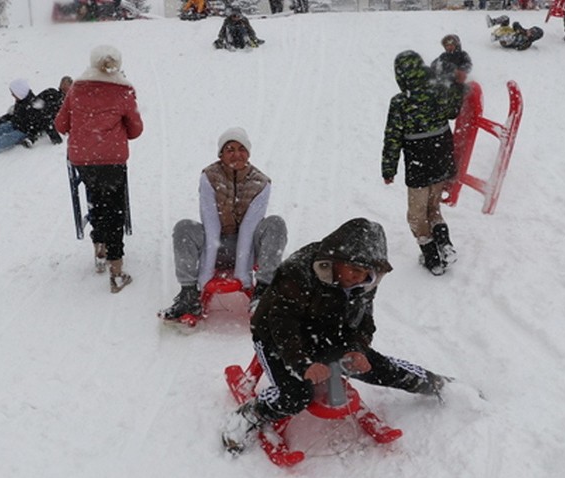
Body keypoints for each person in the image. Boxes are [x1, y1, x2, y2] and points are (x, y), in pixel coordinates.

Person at [221, 218, 447, 454]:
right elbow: (283, 326)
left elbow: (363, 322)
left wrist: (357, 349)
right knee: (296, 396)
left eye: (366, 273)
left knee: (378, 367)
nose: (359, 278)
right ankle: (251, 414)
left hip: (328, 334)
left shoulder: (366, 281)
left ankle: (437, 384)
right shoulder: (298, 270)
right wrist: (303, 364)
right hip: (275, 337)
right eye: (355, 270)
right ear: (337, 260)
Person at [158, 127, 288, 323]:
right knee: (184, 227)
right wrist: (206, 274)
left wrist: (242, 274)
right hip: (216, 243)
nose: (236, 154)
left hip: (249, 245)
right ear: (221, 155)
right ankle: (188, 295)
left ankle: (263, 291)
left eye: (241, 149)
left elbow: (249, 227)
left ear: (248, 153)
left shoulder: (261, 182)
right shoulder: (210, 176)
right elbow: (210, 222)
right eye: (230, 149)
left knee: (275, 223)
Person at [54, 45, 144, 293]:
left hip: (83, 158)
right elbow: (136, 129)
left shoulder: (76, 90)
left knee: (95, 198)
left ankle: (99, 245)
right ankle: (116, 269)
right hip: (112, 159)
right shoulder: (124, 92)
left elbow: (60, 124)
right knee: (115, 208)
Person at [381, 51, 464, 276]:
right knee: (433, 207)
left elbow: (393, 137)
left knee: (416, 214)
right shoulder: (438, 90)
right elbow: (453, 112)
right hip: (441, 156)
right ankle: (445, 245)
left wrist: (388, 169)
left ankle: (431, 257)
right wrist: (456, 87)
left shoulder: (400, 102)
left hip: (419, 162)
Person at [36, 75, 73, 145]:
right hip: (37, 114)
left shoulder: (68, 102)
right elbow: (36, 100)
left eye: (67, 84)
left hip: (47, 119)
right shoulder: (51, 91)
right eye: (63, 83)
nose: (64, 86)